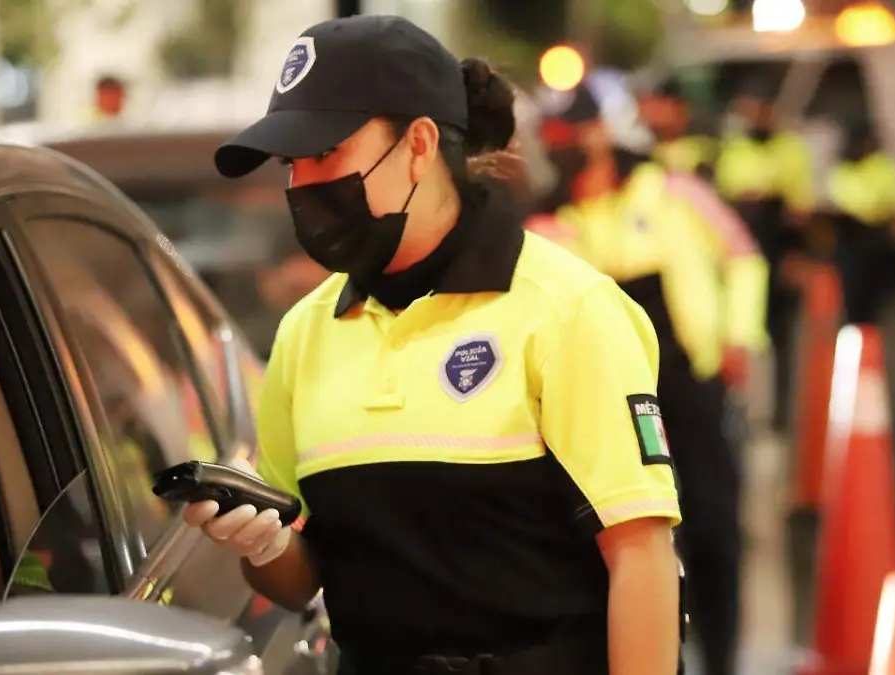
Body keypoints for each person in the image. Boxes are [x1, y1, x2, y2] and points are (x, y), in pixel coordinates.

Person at [185, 15, 683, 675]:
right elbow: (299, 582)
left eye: (326, 152)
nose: (303, 185)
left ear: (419, 143)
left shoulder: (565, 308)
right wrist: (259, 541)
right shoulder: (306, 334)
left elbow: (641, 556)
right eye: (290, 163)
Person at [535, 76, 766, 675]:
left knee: (714, 531)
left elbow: (742, 256)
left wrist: (739, 335)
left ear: (601, 136)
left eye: (573, 134)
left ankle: (724, 657)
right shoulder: (553, 221)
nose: (565, 146)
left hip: (690, 387)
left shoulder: (673, 193)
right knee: (638, 544)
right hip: (610, 405)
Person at [713, 79, 815, 432]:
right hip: (739, 256)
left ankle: (780, 416)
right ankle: (744, 414)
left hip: (776, 250)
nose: (751, 116)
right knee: (741, 335)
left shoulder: (789, 149)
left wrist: (795, 256)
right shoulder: (734, 150)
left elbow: (800, 212)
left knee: (780, 337)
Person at [825, 120, 895, 324]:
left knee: (883, 306)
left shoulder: (883, 165)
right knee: (855, 308)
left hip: (881, 240)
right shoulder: (840, 170)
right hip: (851, 239)